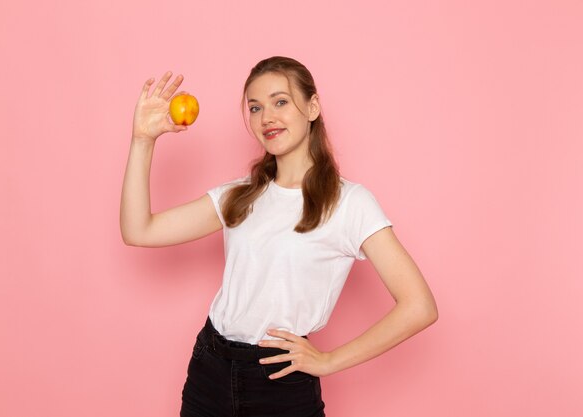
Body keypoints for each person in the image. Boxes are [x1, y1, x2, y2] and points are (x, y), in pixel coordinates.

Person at [120, 56, 438, 417]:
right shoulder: (238, 195)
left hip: (280, 381)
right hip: (210, 368)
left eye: (280, 102)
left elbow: (419, 306)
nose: (266, 117)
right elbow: (138, 230)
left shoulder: (350, 203)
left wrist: (329, 361)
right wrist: (142, 140)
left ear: (312, 107)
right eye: (255, 107)